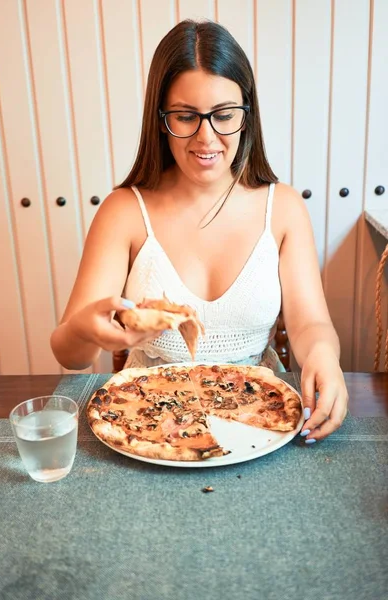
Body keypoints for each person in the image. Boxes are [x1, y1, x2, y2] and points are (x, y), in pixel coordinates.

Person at [50, 19, 348, 443]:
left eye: (224, 115)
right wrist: (88, 331)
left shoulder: (282, 208)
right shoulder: (123, 211)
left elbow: (310, 324)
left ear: (247, 115)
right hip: (145, 418)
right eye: (186, 116)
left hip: (258, 415)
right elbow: (68, 352)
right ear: (160, 119)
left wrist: (324, 357)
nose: (206, 138)